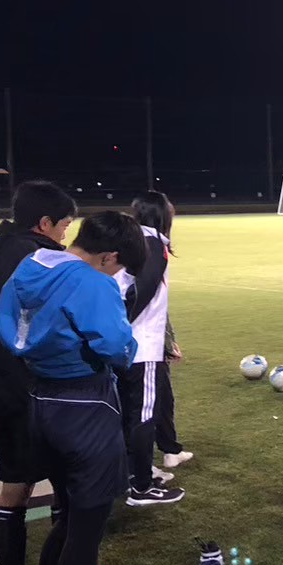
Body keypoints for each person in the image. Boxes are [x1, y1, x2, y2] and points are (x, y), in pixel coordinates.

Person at [0, 180, 138, 565]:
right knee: (58, 491)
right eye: (65, 225)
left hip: (13, 384)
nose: (67, 236)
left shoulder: (8, 251)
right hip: (39, 389)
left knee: (32, 486)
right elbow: (95, 335)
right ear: (44, 223)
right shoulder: (36, 258)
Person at [116, 191, 185, 506]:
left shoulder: (130, 240)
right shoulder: (153, 244)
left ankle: (133, 473)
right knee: (142, 416)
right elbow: (140, 294)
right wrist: (121, 328)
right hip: (141, 347)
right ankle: (142, 487)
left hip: (124, 346)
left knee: (128, 414)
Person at [153, 316, 194, 470]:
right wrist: (169, 346)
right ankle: (140, 467)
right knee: (158, 404)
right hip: (148, 354)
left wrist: (170, 343)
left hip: (145, 353)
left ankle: (170, 449)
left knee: (161, 403)